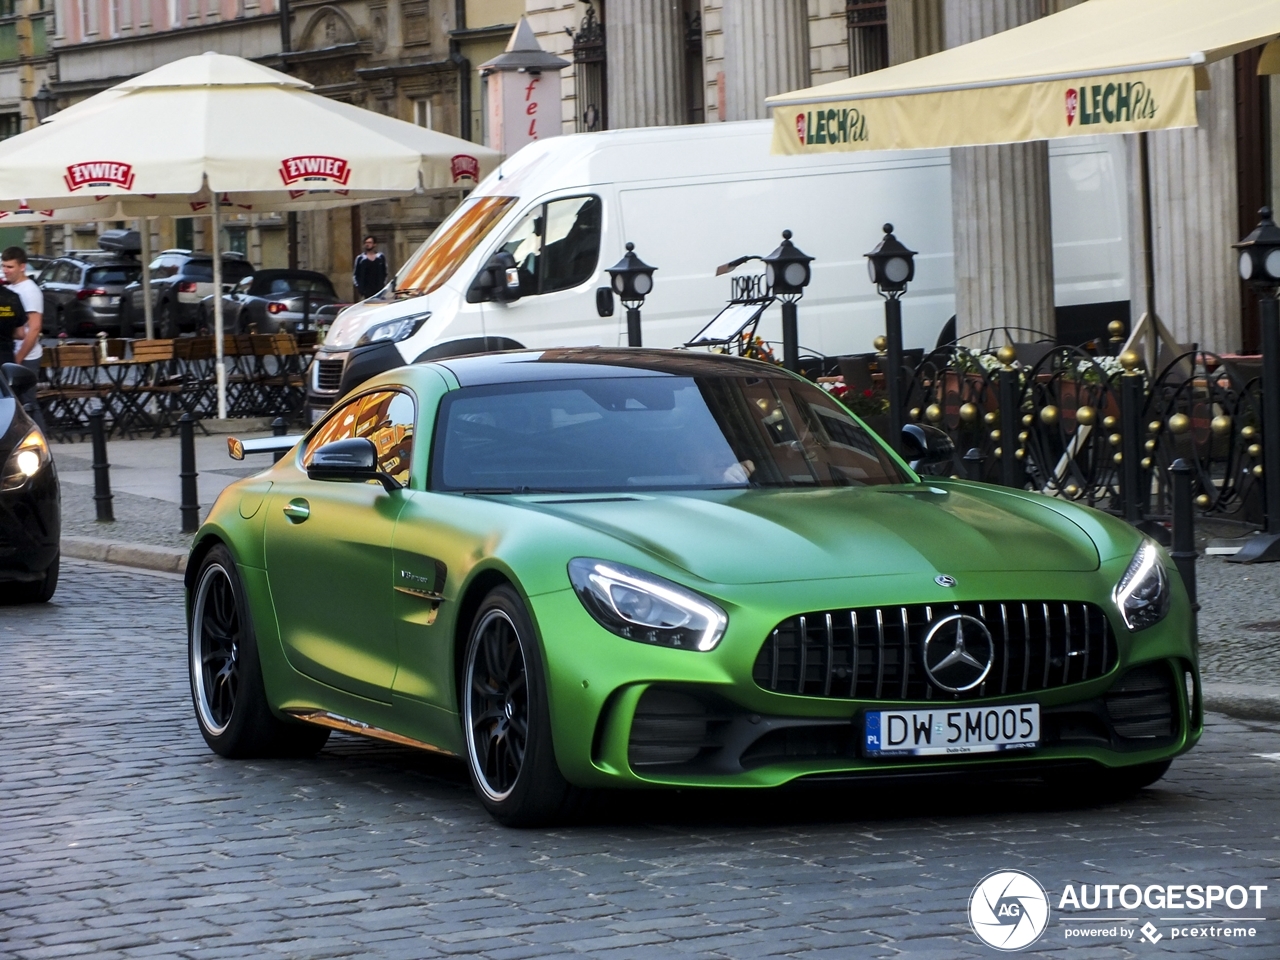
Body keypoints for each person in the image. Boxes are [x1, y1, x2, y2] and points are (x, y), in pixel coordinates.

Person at [1, 246, 46, 431]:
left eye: (10, 267)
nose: (5, 270)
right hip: (13, 352)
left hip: (26, 355)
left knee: (27, 401)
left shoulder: (29, 291)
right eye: (3, 266)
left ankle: (40, 436)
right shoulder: (10, 290)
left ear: (22, 267)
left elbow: (34, 329)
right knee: (15, 401)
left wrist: (18, 359)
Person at [353, 235, 388, 300]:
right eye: (366, 243)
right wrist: (360, 288)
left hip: (379, 289)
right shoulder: (360, 258)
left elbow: (385, 272)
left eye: (369, 243)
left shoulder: (380, 257)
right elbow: (355, 274)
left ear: (374, 244)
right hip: (366, 290)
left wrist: (383, 285)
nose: (367, 244)